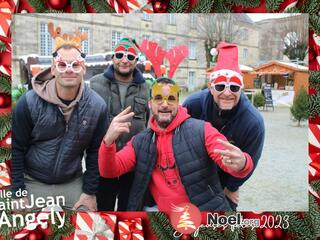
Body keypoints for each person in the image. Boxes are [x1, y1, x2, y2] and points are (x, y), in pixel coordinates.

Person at [98, 77, 254, 211]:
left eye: (171, 98)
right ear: (150, 104)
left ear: (178, 103)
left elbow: (229, 160)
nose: (165, 104)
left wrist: (242, 163)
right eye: (158, 98)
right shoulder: (140, 142)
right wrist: (108, 141)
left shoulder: (202, 130)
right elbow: (109, 171)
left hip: (203, 215)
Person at [12, 28, 108, 211]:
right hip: (33, 180)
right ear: (53, 69)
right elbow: (16, 148)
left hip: (71, 181)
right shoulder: (29, 102)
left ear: (83, 69)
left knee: (89, 223)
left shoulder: (97, 107)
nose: (69, 70)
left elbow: (95, 152)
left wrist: (89, 192)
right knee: (19, 226)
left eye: (75, 65)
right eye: (62, 65)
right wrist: (18, 192)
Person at [183, 42, 265, 210]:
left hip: (225, 184)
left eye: (234, 87)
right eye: (220, 86)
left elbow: (252, 160)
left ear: (241, 89)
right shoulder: (193, 105)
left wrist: (232, 187)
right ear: (210, 87)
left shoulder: (253, 122)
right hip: (190, 181)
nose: (227, 93)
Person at [90, 37, 149, 211]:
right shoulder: (95, 84)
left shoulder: (146, 88)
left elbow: (149, 122)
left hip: (133, 164)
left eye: (130, 56)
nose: (125, 60)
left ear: (136, 61)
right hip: (103, 161)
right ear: (113, 58)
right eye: (120, 55)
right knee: (103, 211)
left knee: (128, 211)